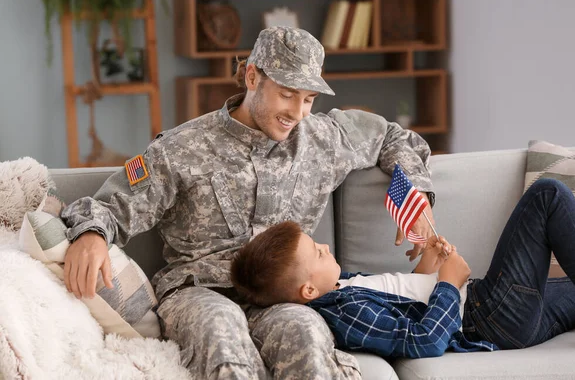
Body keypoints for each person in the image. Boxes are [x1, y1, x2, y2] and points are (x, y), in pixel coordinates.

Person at [60, 26, 437, 379]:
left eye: (308, 99)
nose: (297, 112)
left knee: (306, 332)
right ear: (252, 77)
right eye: (287, 94)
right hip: (200, 292)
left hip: (282, 296)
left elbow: (392, 137)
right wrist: (92, 233)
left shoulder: (323, 138)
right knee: (221, 331)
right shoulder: (181, 148)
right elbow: (112, 206)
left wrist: (413, 193)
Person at [231, 178, 575, 358]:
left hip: (506, 317)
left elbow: (408, 299)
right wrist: (450, 285)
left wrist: (431, 263)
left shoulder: (342, 286)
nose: (326, 247)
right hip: (490, 315)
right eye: (318, 252)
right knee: (548, 195)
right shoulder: (344, 314)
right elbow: (424, 341)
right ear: (308, 291)